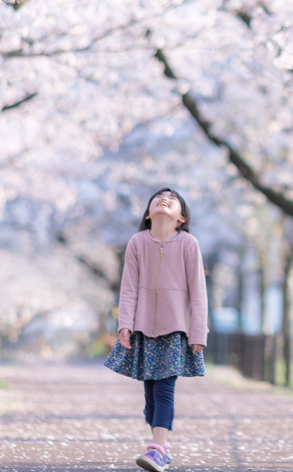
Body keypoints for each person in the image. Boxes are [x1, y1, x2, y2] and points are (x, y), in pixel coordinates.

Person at [104, 188, 208, 472]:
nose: (165, 200)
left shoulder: (189, 244)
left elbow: (198, 292)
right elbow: (128, 288)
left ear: (181, 217)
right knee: (150, 395)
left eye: (172, 199)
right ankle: (161, 443)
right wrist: (125, 323)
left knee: (164, 390)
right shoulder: (137, 243)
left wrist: (198, 332)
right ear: (148, 214)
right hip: (142, 330)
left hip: (176, 330)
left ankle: (157, 449)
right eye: (159, 198)